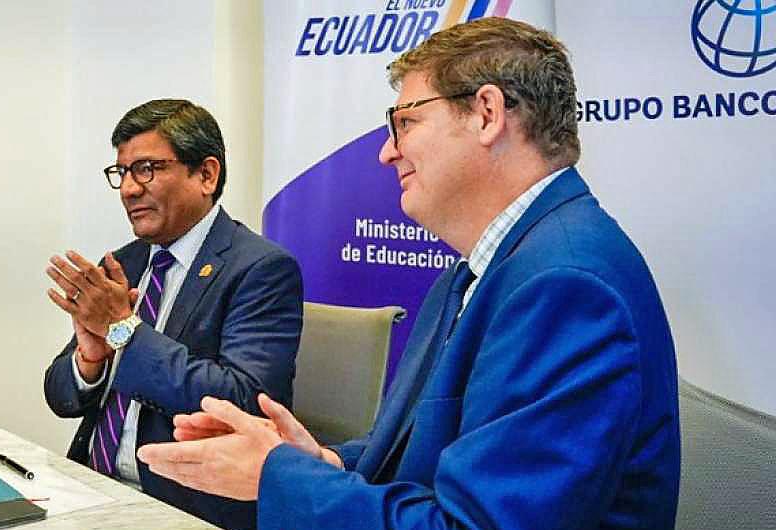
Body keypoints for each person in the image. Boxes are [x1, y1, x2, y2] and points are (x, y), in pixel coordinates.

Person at [138, 17, 680, 530]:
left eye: (405, 123)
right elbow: (418, 458)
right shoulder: (474, 275)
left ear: (487, 114)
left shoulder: (566, 285)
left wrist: (274, 475)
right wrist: (318, 461)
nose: (386, 153)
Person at [42, 99, 303, 529]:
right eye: (122, 172)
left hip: (183, 507)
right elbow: (60, 397)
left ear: (206, 174)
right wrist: (90, 360)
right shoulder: (124, 264)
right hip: (92, 490)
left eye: (146, 169)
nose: (129, 189)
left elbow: (244, 403)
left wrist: (123, 330)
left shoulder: (260, 269)